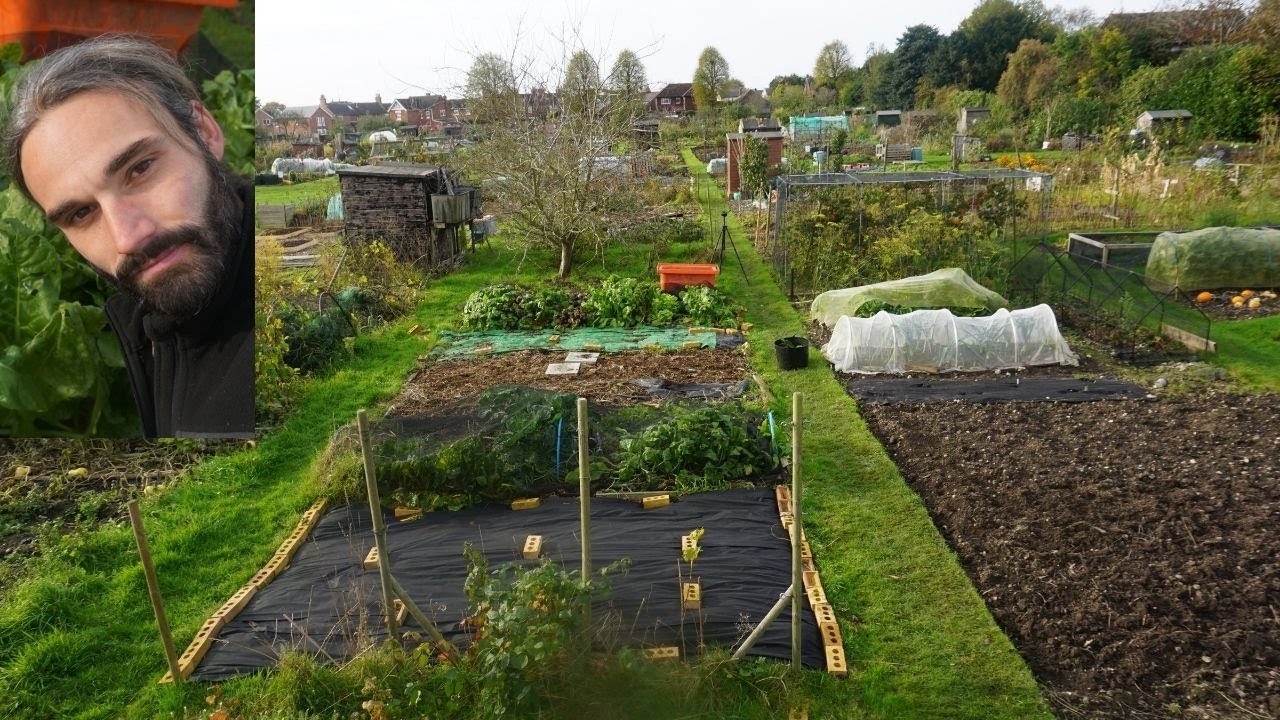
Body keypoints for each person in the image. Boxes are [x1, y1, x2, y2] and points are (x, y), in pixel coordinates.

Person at [2, 35, 254, 438]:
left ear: (204, 132)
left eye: (139, 169)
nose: (128, 237)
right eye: (81, 213)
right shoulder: (149, 328)